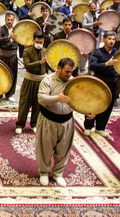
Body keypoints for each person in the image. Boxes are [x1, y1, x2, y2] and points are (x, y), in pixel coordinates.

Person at [36, 58, 93, 187]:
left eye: (71, 72)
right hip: (48, 120)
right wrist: (58, 98)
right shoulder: (48, 80)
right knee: (45, 148)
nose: (69, 74)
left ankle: (58, 174)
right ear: (59, 68)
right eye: (66, 72)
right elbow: (41, 98)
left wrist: (88, 111)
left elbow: (81, 100)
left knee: (63, 150)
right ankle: (44, 172)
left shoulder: (73, 82)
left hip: (67, 121)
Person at [85, 31, 119, 138]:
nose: (111, 41)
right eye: (109, 39)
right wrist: (106, 64)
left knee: (108, 105)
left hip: (112, 82)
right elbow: (93, 66)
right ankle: (88, 126)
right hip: (99, 82)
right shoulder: (97, 52)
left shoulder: (117, 53)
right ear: (104, 39)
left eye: (113, 39)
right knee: (93, 104)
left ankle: (100, 127)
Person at [16, 31, 47, 134]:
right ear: (34, 40)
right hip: (29, 80)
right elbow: (27, 65)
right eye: (37, 42)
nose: (39, 44)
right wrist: (40, 63)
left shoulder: (46, 51)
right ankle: (20, 124)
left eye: (41, 42)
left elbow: (49, 66)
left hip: (41, 81)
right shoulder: (27, 51)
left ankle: (34, 124)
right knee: (25, 103)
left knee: (38, 104)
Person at [0, 12, 19, 102]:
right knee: (0, 75)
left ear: (14, 21)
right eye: (8, 19)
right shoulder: (0, 29)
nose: (10, 21)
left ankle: (9, 94)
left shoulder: (16, 30)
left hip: (12, 56)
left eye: (11, 20)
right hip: (2, 56)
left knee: (12, 75)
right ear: (5, 20)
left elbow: (17, 43)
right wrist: (8, 38)